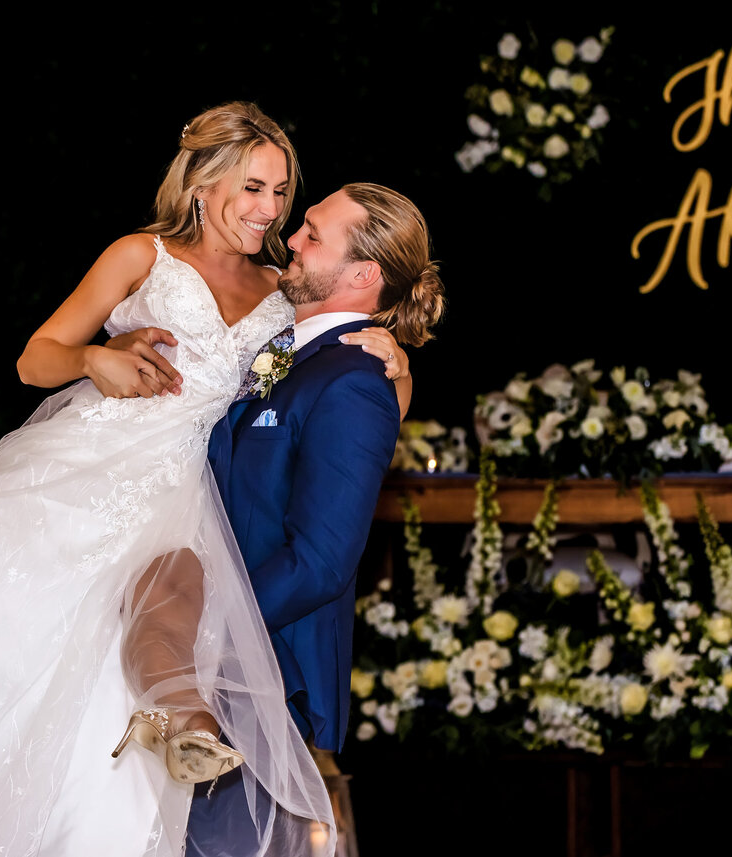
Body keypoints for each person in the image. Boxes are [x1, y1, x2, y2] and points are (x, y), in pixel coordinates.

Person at [0, 102, 408, 857]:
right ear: (204, 183)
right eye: (255, 189)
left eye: (281, 195)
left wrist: (398, 366)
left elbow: (329, 384)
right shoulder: (141, 254)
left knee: (141, 629)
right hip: (100, 458)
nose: (270, 212)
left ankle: (156, 755)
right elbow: (37, 357)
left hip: (195, 484)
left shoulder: (282, 290)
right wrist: (95, 358)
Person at [187, 182, 445, 856]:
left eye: (313, 233)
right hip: (205, 672)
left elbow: (321, 560)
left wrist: (206, 625)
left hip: (266, 681)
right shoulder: (285, 352)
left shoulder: (356, 381)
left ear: (361, 274)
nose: (291, 237)